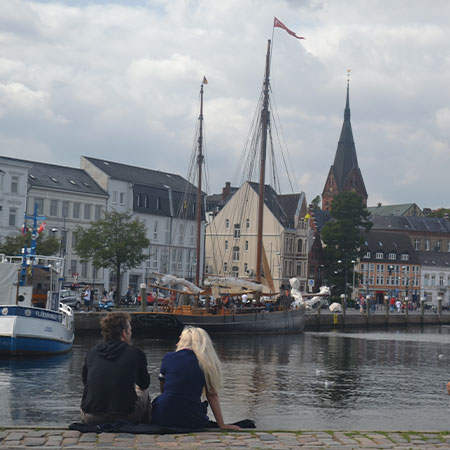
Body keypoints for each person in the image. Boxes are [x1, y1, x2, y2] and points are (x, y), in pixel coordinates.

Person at [151, 326, 240, 430]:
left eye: (180, 339)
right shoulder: (206, 363)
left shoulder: (168, 357)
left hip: (162, 415)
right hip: (192, 418)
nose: (176, 344)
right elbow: (212, 395)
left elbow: (164, 388)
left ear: (184, 342)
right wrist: (222, 425)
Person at [80, 312, 152, 425]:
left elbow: (85, 382)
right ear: (124, 333)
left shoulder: (91, 353)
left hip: (91, 417)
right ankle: (144, 427)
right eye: (130, 330)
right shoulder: (136, 354)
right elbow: (144, 384)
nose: (131, 333)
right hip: (126, 416)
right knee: (144, 392)